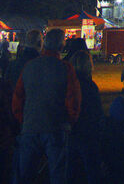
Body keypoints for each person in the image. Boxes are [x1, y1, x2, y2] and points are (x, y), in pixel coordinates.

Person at [12, 27, 81, 184]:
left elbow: (18, 97)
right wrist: (70, 121)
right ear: (61, 46)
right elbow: (73, 99)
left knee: (26, 175)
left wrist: (24, 119)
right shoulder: (65, 68)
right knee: (57, 174)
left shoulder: (29, 66)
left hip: (30, 127)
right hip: (55, 127)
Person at [68, 48, 103, 184]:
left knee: (69, 170)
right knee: (92, 170)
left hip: (71, 130)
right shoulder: (90, 86)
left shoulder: (68, 84)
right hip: (88, 132)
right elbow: (97, 111)